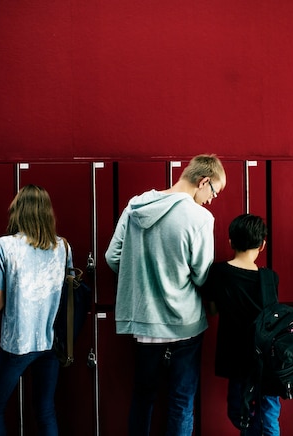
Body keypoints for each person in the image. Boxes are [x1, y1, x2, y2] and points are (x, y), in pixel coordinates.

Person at [105, 154, 226, 436]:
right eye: (214, 192)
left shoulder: (136, 205)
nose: (211, 200)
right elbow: (202, 275)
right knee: (181, 402)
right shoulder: (200, 217)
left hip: (144, 325)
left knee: (143, 398)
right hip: (184, 326)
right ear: (203, 181)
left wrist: (141, 276)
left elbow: (112, 257)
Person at [0, 184, 72, 436]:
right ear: (46, 212)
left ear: (18, 211)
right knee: (45, 410)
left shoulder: (2, 246)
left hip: (17, 344)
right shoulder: (62, 247)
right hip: (50, 343)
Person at [201, 213, 281, 436]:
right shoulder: (270, 278)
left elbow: (213, 310)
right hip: (266, 358)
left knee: (239, 412)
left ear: (230, 242)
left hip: (237, 358)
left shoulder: (218, 273)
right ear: (263, 245)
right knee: (268, 413)